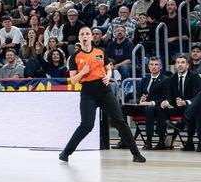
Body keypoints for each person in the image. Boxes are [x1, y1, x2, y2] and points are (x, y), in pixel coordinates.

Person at [59, 26, 145, 163]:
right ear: (79, 38)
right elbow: (73, 81)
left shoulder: (101, 51)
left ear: (92, 37)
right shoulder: (75, 57)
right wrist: (82, 72)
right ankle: (65, 153)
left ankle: (136, 154)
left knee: (120, 121)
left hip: (104, 89)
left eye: (88, 33)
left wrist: (108, 76)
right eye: (82, 34)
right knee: (87, 125)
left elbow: (108, 69)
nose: (85, 36)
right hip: (87, 91)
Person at [156, 54, 201, 150]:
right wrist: (166, 102)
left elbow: (198, 96)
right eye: (177, 63)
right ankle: (161, 141)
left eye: (182, 62)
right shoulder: (171, 79)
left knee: (191, 108)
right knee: (161, 109)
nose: (180, 65)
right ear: (175, 66)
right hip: (176, 107)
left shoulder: (194, 76)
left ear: (187, 65)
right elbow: (169, 96)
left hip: (189, 106)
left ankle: (190, 141)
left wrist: (185, 102)